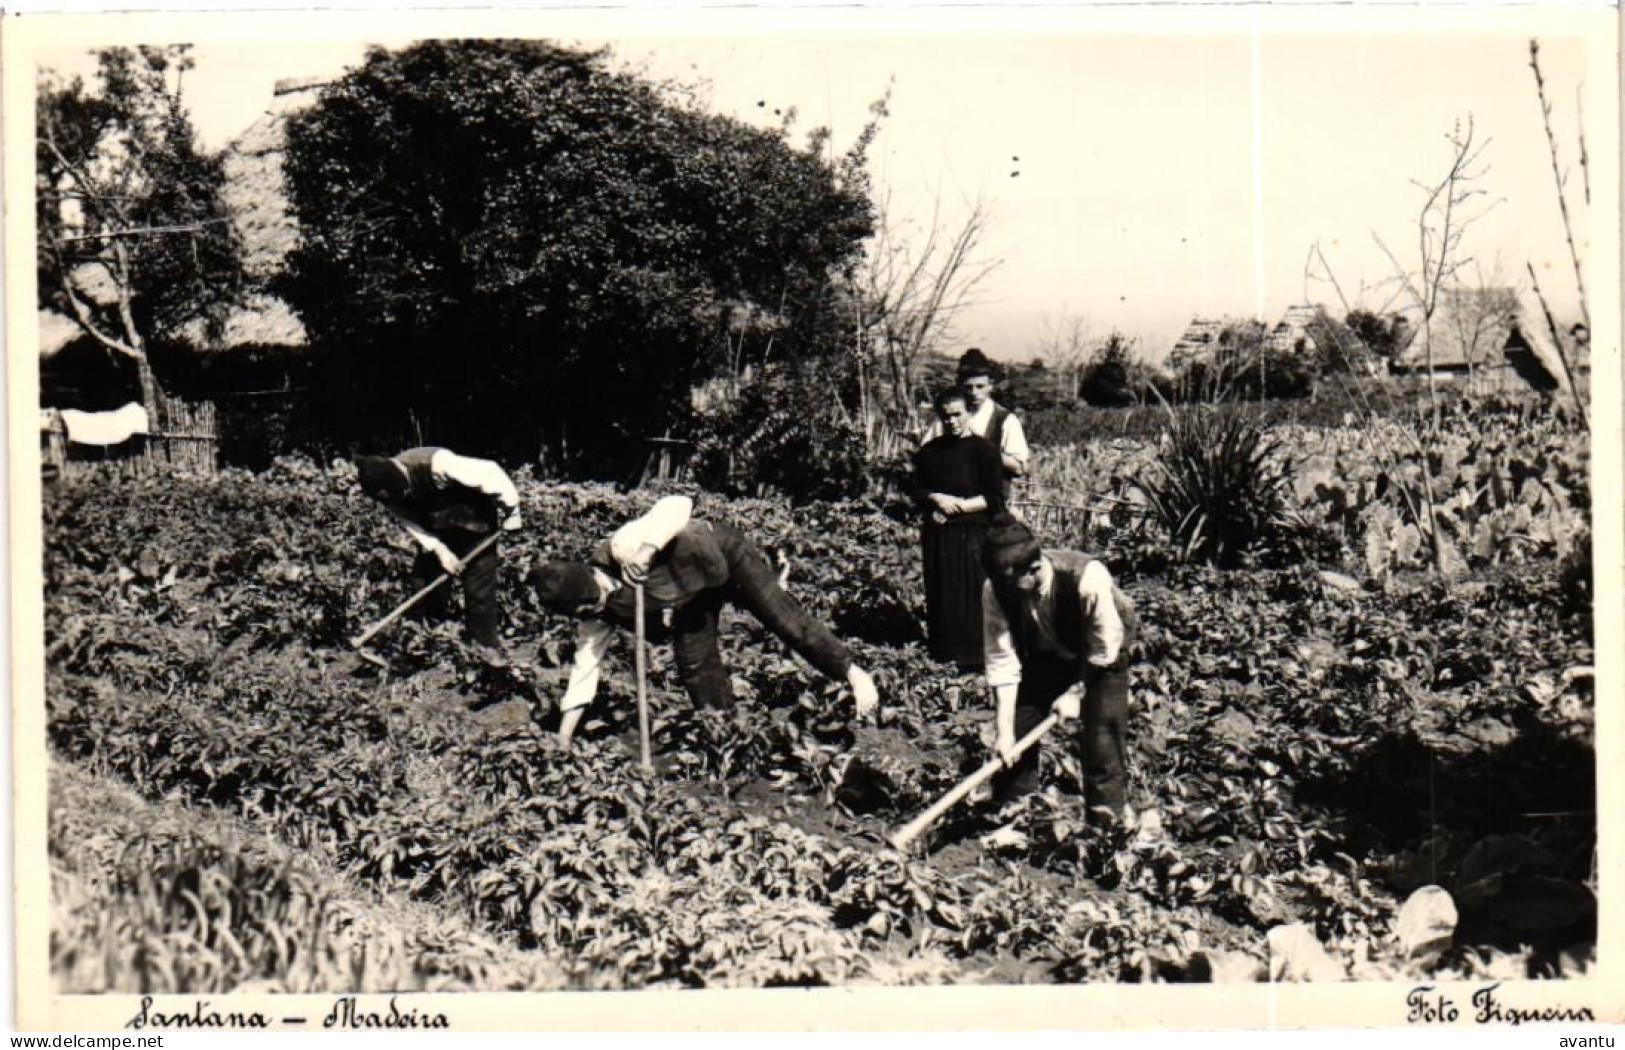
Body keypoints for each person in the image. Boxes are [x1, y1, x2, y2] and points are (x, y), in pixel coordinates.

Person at [528, 495, 880, 749]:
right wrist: (564, 736)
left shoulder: (623, 545)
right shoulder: (595, 613)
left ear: (594, 576)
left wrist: (647, 550)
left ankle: (854, 674)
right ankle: (732, 738)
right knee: (695, 665)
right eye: (594, 607)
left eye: (602, 594)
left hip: (723, 555)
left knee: (784, 620)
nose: (606, 602)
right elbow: (585, 668)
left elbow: (677, 504)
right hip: (688, 596)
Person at [980, 516, 1139, 823]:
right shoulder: (997, 587)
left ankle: (1105, 827)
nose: (1009, 594)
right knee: (1017, 729)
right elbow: (1002, 659)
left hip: (1100, 657)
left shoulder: (1086, 578)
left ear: (1036, 568)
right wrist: (1003, 731)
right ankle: (1016, 815)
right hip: (1046, 655)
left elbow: (1103, 649)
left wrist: (1076, 693)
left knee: (1102, 738)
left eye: (1015, 586)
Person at [354, 447, 522, 654]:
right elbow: (411, 522)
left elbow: (490, 472)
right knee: (423, 580)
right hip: (437, 527)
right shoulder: (386, 493)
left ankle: (485, 648)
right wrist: (441, 551)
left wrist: (511, 512)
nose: (405, 497)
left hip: (475, 521)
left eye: (405, 492)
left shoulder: (437, 464)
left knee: (478, 586)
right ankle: (431, 637)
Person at [911, 387, 1005, 670]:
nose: (952, 421)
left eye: (957, 415)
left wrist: (958, 506)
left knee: (973, 593)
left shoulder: (984, 450)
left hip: (973, 533)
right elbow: (916, 489)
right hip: (939, 534)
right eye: (945, 416)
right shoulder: (929, 452)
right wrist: (936, 500)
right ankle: (944, 655)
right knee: (942, 592)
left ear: (968, 413)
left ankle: (975, 658)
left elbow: (994, 499)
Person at [925, 348, 1030, 497]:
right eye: (968, 387)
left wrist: (983, 450)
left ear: (990, 385)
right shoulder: (947, 417)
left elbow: (1019, 468)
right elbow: (926, 457)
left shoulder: (1005, 420)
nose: (974, 392)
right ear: (959, 385)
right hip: (950, 500)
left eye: (980, 386)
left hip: (990, 505)